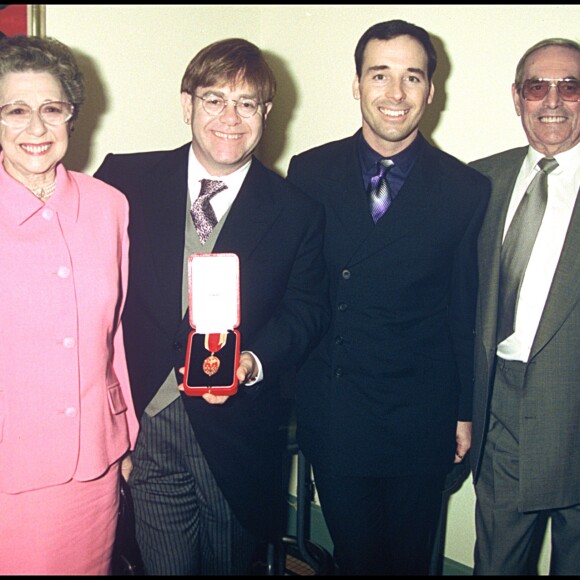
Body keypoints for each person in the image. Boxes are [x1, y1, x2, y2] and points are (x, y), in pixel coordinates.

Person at [94, 37, 329, 575]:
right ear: (187, 104)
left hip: (237, 435)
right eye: (214, 99)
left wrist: (252, 361)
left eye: (247, 103)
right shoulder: (124, 180)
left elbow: (307, 310)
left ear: (266, 114)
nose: (230, 117)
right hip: (146, 427)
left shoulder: (296, 211)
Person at [286, 19, 490, 575]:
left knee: (406, 561)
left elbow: (463, 309)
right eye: (380, 75)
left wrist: (463, 412)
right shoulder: (308, 171)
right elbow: (296, 293)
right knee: (355, 557)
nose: (395, 95)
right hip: (336, 406)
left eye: (411, 77)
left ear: (430, 89)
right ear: (357, 84)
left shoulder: (464, 189)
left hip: (418, 413)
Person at [0, 35, 139, 575]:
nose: (36, 128)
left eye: (51, 109)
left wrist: (126, 435)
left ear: (71, 116)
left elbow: (117, 333)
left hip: (92, 462)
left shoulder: (109, 206)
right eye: (15, 110)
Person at [469, 38, 580, 575]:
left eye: (571, 86)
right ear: (517, 97)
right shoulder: (478, 181)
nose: (553, 101)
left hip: (577, 410)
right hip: (501, 414)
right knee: (497, 564)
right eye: (538, 86)